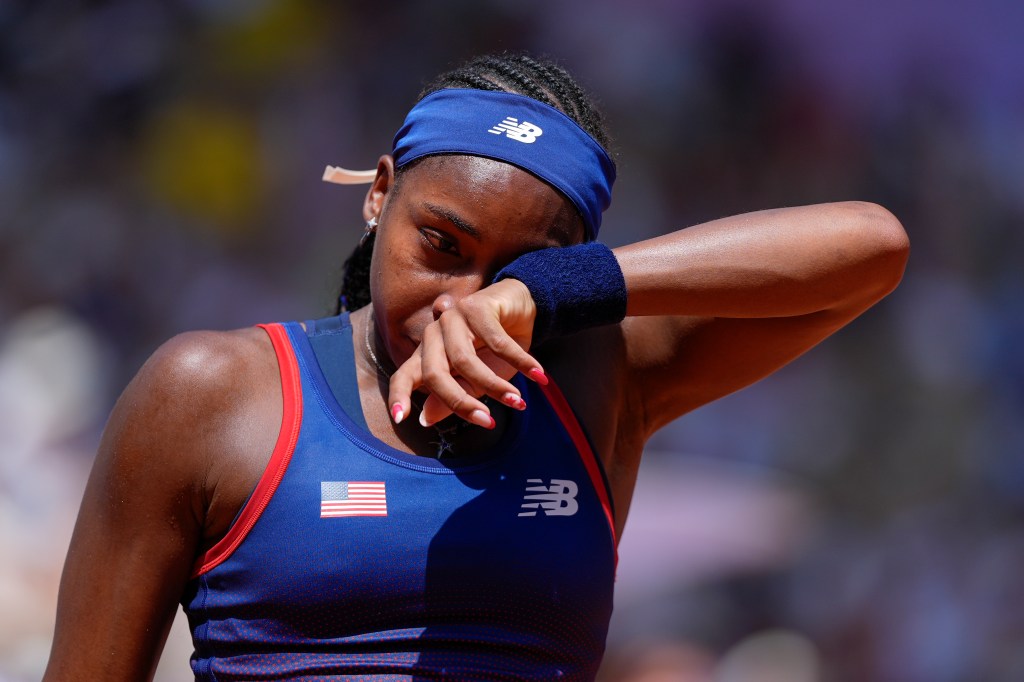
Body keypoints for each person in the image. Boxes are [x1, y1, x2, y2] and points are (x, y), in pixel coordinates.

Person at [44, 53, 908, 681]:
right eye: (441, 244)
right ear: (379, 195)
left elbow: (871, 247)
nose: (464, 299)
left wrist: (556, 294)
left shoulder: (596, 383)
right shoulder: (213, 393)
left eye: (518, 266)